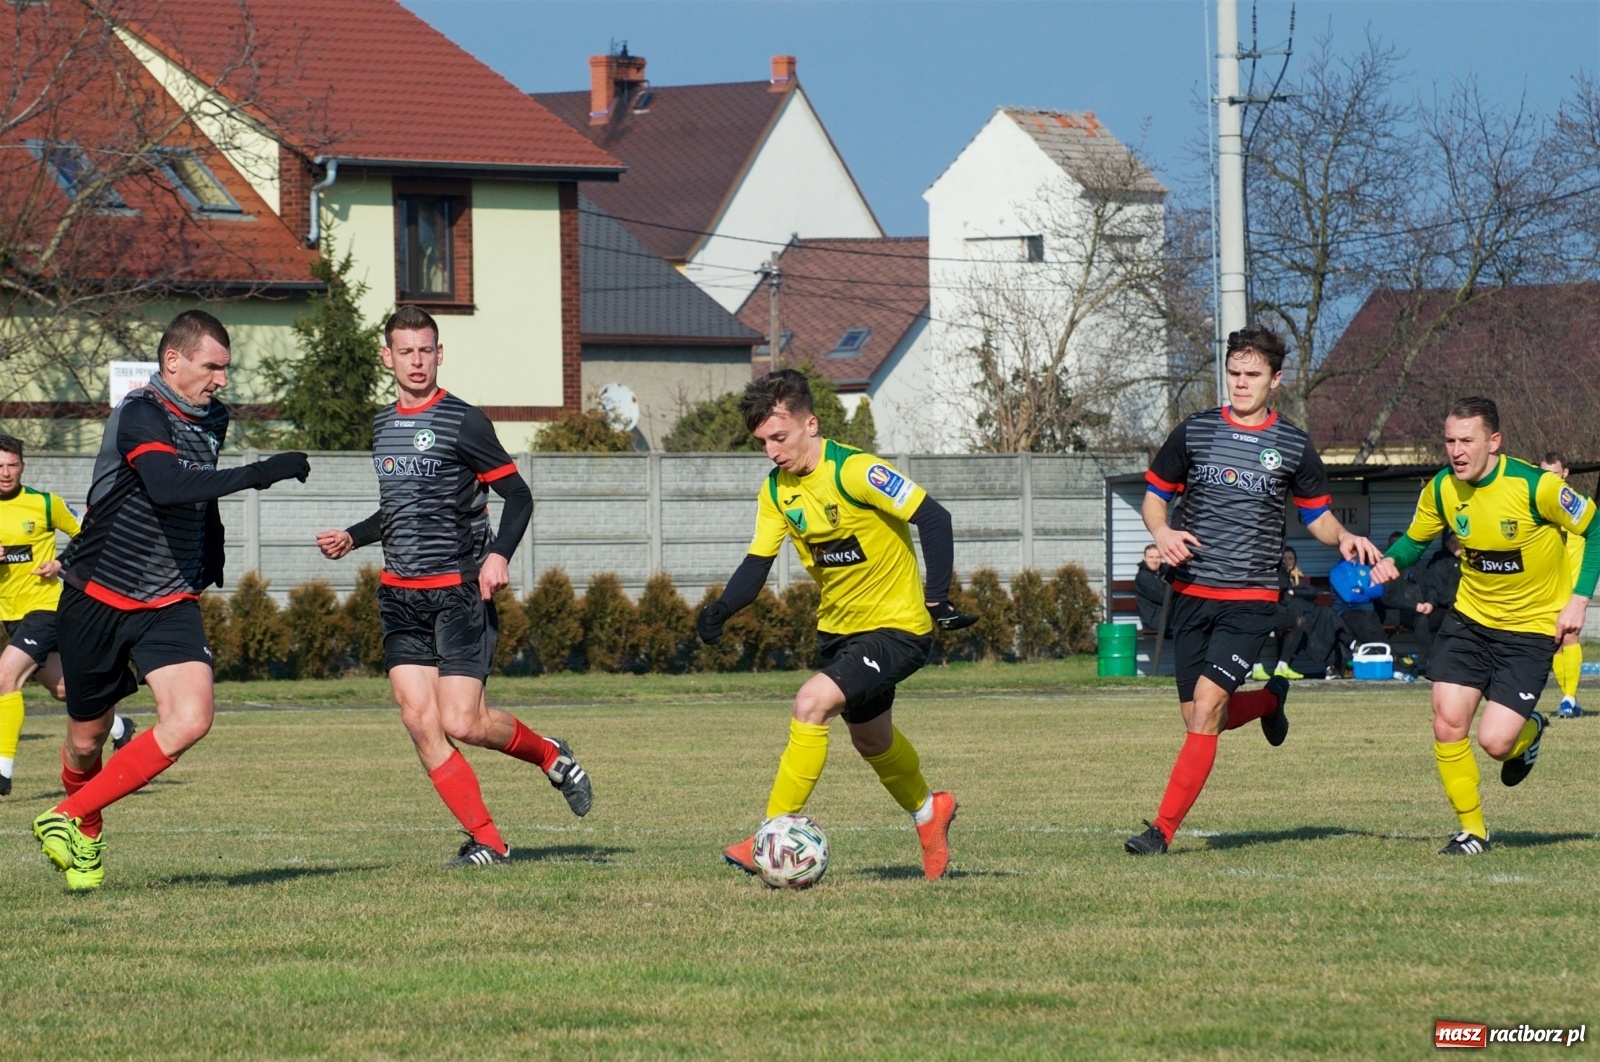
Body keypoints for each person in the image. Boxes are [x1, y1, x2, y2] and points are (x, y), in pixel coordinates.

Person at [31, 310, 311, 890]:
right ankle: (84, 832)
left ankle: (64, 818)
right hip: (98, 595)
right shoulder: (138, 413)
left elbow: (198, 493)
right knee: (85, 742)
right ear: (173, 361)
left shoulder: (214, 419)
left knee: (191, 717)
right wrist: (260, 473)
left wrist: (213, 552)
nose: (222, 380)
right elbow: (167, 484)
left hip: (168, 598)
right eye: (213, 367)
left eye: (226, 369)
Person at [316, 305, 591, 870]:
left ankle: (551, 756)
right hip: (399, 595)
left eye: (426, 350)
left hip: (459, 594)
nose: (416, 361)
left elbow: (519, 496)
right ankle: (488, 840)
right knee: (419, 721)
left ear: (440, 355)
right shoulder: (381, 426)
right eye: (405, 351)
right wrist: (354, 535)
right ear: (387, 357)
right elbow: (399, 510)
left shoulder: (464, 422)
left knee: (462, 722)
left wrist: (497, 555)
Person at [700, 369, 975, 880]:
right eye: (761, 442)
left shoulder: (856, 472)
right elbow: (758, 562)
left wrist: (936, 598)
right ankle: (928, 813)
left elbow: (935, 518)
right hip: (839, 633)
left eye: (779, 437)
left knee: (811, 702)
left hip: (897, 629)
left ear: (811, 423)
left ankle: (767, 836)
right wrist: (722, 608)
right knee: (872, 741)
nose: (771, 451)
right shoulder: (777, 491)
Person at [1127, 325, 1382, 855]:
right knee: (1200, 718)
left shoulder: (1292, 445)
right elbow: (1154, 498)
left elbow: (1317, 518)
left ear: (1276, 379)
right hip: (1192, 593)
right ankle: (1269, 700)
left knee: (1205, 709)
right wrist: (1162, 531)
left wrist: (1344, 538)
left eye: (1253, 375)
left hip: (1251, 597)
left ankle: (1161, 832)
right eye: (1234, 374)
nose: (1241, 384)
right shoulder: (1194, 432)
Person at [1372, 398, 1597, 856]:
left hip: (1530, 629)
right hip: (1470, 619)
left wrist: (1578, 601)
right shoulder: (1442, 489)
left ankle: (1529, 730)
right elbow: (1416, 539)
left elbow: (1595, 530)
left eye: (1466, 441)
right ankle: (1473, 830)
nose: (1456, 451)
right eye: (1450, 441)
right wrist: (1393, 561)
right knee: (1447, 721)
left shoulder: (1538, 487)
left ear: (1493, 442)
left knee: (1496, 743)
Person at [0, 435, 137, 796]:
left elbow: (90, 533)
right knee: (65, 690)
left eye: (12, 465)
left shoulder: (45, 504)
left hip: (46, 609)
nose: (5, 472)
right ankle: (120, 727)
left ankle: (2, 769)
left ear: (23, 466)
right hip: (12, 616)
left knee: (4, 677)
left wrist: (61, 563)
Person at [1539, 452, 1585, 717]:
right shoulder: (1541, 506)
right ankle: (1570, 699)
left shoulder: (1576, 505)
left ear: (1565, 474)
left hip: (1572, 585)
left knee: (1570, 635)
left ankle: (1569, 697)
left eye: (1554, 474)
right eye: (1545, 474)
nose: (1550, 480)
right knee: (1555, 642)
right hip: (1547, 585)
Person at [1133, 544, 1171, 633]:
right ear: (1144, 558)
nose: (1155, 560)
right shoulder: (1143, 577)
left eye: (1158, 557)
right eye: (1151, 557)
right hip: (1154, 621)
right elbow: (1164, 596)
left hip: (1168, 617)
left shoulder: (1165, 572)